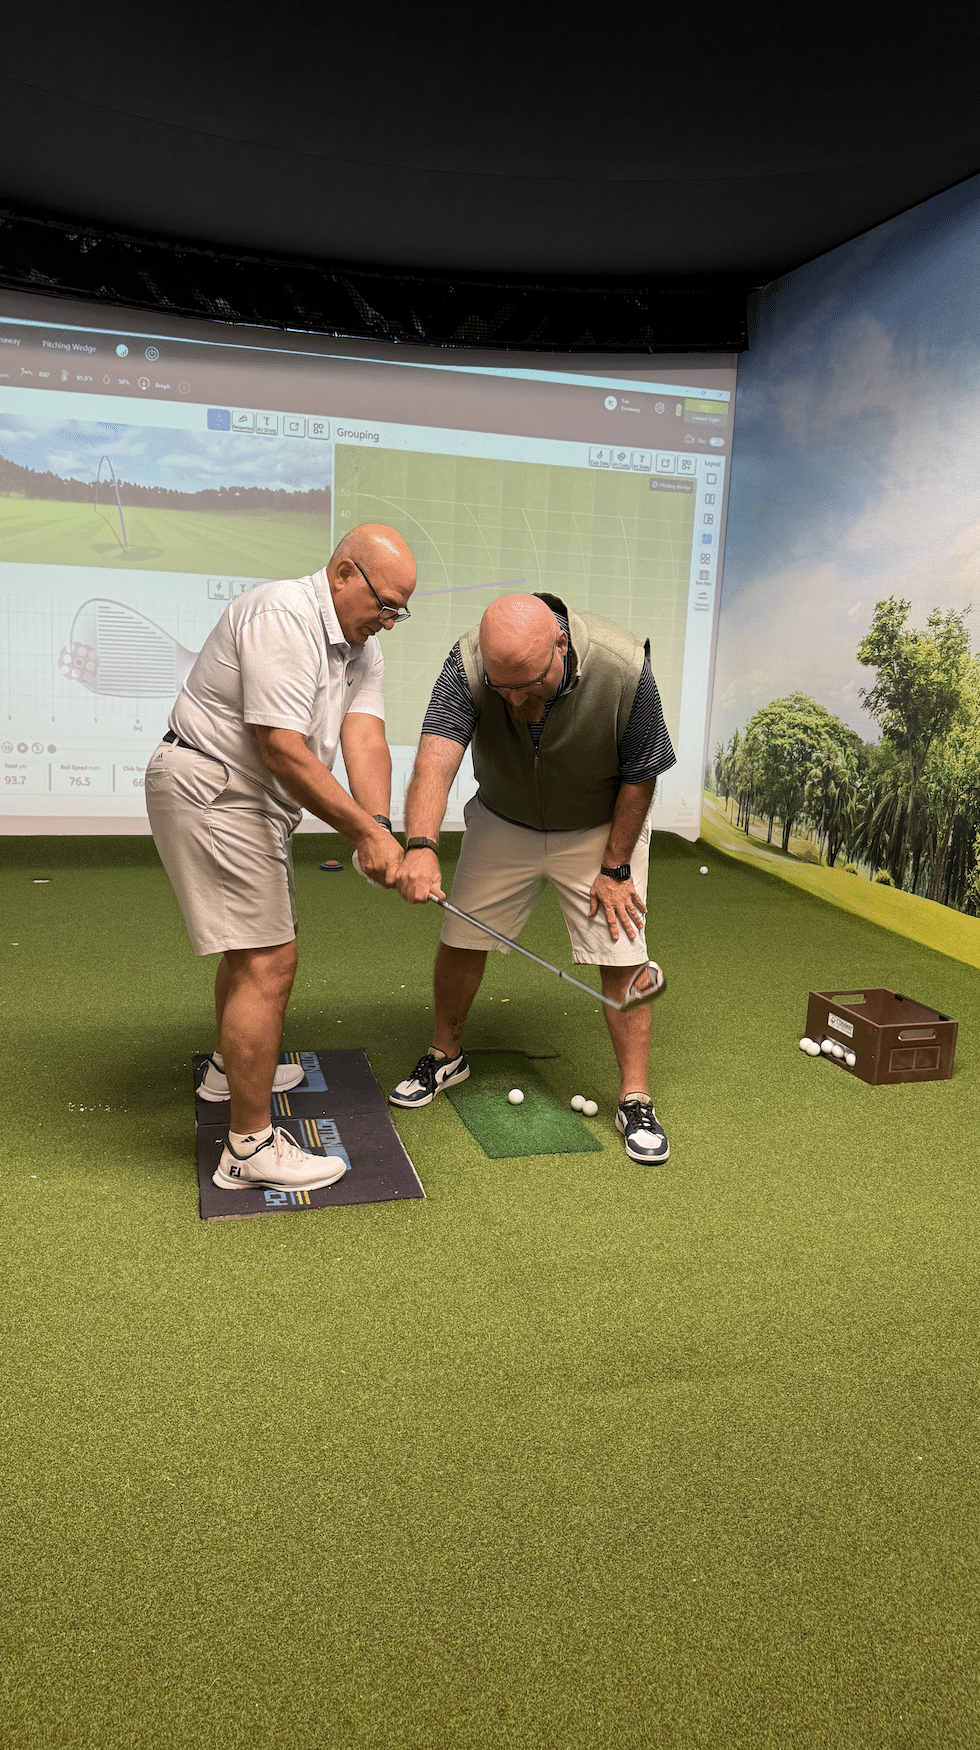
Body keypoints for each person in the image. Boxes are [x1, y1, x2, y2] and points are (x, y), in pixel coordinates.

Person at [145, 524, 416, 1193]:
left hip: (249, 800)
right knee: (269, 959)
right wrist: (365, 837)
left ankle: (227, 1071)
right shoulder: (282, 615)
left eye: (399, 612)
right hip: (217, 788)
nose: (388, 621)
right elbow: (281, 749)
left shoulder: (361, 646)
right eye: (384, 604)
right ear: (344, 573)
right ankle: (249, 1147)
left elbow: (365, 735)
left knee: (254, 949)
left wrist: (381, 825)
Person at [389, 591, 676, 1163]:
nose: (516, 699)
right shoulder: (470, 662)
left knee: (622, 953)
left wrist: (616, 867)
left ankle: (636, 1097)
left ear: (561, 645)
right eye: (503, 689)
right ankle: (445, 1055)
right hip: (505, 817)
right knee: (461, 939)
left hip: (598, 827)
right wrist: (420, 845)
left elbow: (641, 773)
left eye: (528, 684)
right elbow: (436, 756)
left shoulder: (623, 666)